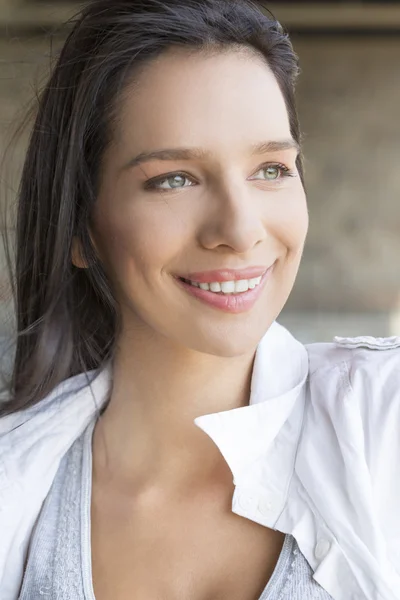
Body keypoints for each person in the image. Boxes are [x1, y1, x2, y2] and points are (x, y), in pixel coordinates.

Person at [0, 0, 399, 598]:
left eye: (271, 168)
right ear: (80, 229)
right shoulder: (19, 490)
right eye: (174, 179)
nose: (239, 230)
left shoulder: (382, 421)